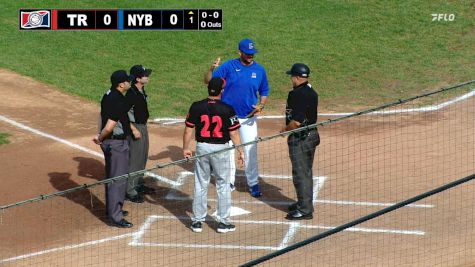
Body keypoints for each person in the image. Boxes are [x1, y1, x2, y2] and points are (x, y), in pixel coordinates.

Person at [204, 38, 270, 198]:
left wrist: (261, 106)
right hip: (228, 116)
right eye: (247, 54)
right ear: (239, 52)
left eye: (252, 54)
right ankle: (229, 181)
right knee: (228, 151)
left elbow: (265, 91)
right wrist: (212, 69)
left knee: (250, 151)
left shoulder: (260, 70)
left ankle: (253, 183)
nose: (250, 56)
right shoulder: (228, 66)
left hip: (248, 118)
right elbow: (208, 82)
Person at [183, 77, 245, 233]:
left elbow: (188, 129)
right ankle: (223, 222)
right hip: (221, 150)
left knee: (200, 183)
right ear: (221, 91)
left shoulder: (196, 106)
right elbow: (234, 133)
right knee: (223, 184)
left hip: (202, 148)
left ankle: (197, 222)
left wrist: (186, 148)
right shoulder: (227, 109)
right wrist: (240, 150)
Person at [93, 70, 134, 228]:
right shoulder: (117, 100)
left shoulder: (108, 94)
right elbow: (109, 126)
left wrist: (101, 137)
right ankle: (115, 216)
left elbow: (102, 116)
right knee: (118, 179)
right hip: (116, 144)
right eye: (127, 81)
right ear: (121, 84)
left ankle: (112, 209)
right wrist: (100, 137)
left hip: (111, 143)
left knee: (113, 176)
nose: (129, 83)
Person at [281, 63, 320, 220]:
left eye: (292, 76)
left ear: (297, 77)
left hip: (301, 138)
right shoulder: (310, 91)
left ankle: (305, 210)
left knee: (301, 174)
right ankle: (303, 203)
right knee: (306, 171)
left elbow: (296, 121)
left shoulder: (298, 94)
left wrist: (284, 131)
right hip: (311, 135)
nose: (291, 79)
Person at [125, 65, 154, 203]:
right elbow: (121, 114)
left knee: (142, 156)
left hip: (142, 126)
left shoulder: (141, 91)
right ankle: (130, 190)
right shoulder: (131, 94)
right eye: (145, 75)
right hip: (135, 127)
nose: (147, 76)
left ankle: (138, 184)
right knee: (135, 159)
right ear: (137, 78)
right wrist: (133, 129)